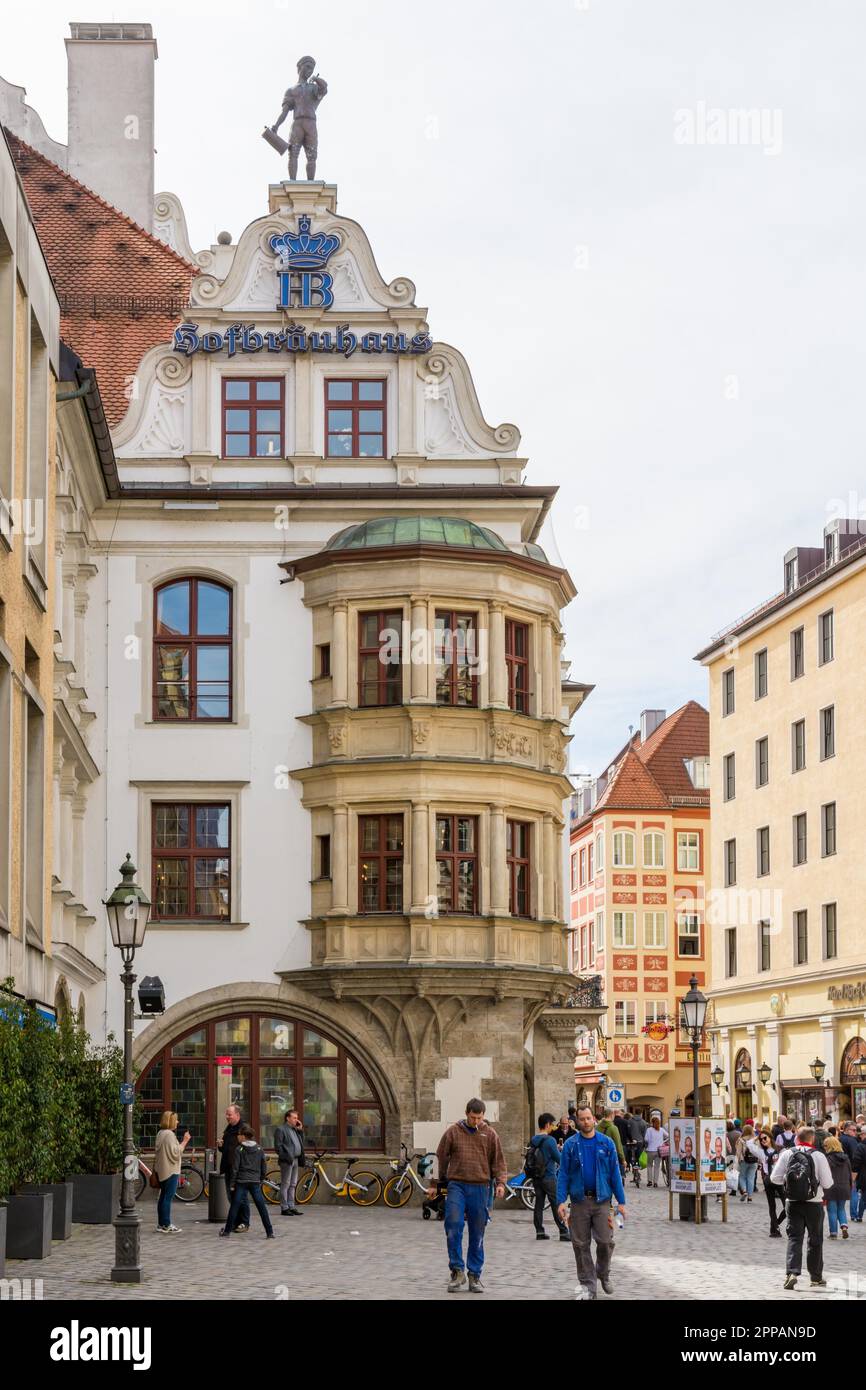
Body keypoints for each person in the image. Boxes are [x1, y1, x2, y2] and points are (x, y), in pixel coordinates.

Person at [431, 1098, 506, 1293]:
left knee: (477, 1233)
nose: (475, 1122)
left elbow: (498, 1161)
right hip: (457, 1185)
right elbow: (440, 1158)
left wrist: (500, 1183)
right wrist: (434, 1185)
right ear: (466, 1114)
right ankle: (457, 1271)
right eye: (473, 1118)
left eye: (479, 1118)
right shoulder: (453, 1132)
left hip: (481, 1187)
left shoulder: (490, 1134)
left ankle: (474, 1274)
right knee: (453, 1225)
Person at [556, 1104, 626, 1300]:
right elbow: (563, 1175)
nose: (586, 1122)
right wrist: (561, 1201)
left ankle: (602, 1272)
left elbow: (614, 1174)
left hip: (602, 1201)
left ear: (593, 1119)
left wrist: (621, 1202)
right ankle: (588, 1287)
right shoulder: (571, 1145)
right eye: (582, 1119)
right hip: (579, 1202)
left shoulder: (607, 1143)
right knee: (580, 1245)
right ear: (577, 1121)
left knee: (605, 1241)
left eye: (588, 1118)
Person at [770, 1125, 833, 1291]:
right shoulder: (819, 1156)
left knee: (794, 1238)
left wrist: (789, 1180)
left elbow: (774, 1178)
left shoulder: (787, 1153)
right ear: (812, 1139)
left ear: (796, 1138)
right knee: (815, 1239)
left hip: (793, 1201)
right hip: (814, 1202)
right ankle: (816, 1277)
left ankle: (792, 1272)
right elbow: (827, 1183)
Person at [220, 1123, 275, 1238]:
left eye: (239, 1135)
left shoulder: (239, 1149)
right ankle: (269, 1232)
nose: (237, 1137)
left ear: (244, 1136)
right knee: (261, 1207)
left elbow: (235, 1168)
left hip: (241, 1182)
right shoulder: (259, 1149)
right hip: (254, 1182)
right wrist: (260, 1179)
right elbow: (263, 1167)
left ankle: (226, 1232)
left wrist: (232, 1184)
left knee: (234, 1207)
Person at [526, 1113, 569, 1241]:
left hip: (536, 1177)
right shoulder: (550, 1140)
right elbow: (559, 1159)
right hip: (549, 1177)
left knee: (538, 1204)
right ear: (547, 1125)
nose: (552, 1128)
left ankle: (539, 1231)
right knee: (557, 1203)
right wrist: (560, 1151)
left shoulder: (533, 1139)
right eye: (552, 1125)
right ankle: (563, 1232)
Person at [153, 1110, 191, 1233]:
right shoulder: (169, 1134)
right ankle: (166, 1224)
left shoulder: (161, 1133)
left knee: (163, 1197)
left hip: (162, 1170)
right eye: (176, 1120)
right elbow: (175, 1153)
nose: (178, 1122)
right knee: (167, 1198)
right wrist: (185, 1141)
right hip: (170, 1170)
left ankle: (161, 1223)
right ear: (170, 1121)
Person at [218, 1103, 250, 1231]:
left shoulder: (244, 1129)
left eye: (229, 1114)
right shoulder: (229, 1128)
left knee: (241, 1196)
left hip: (239, 1169)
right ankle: (235, 1222)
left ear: (237, 1115)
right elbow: (227, 1149)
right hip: (228, 1167)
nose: (227, 1116)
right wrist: (221, 1146)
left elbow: (249, 1149)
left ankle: (244, 1223)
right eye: (226, 1114)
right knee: (231, 1196)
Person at [273, 1108, 305, 1216]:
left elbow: (301, 1142)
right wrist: (286, 1157)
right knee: (285, 1183)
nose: (297, 1120)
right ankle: (284, 1207)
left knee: (293, 1184)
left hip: (296, 1159)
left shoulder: (295, 1129)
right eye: (294, 1117)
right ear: (288, 1118)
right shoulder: (281, 1129)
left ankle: (291, 1206)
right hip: (287, 1160)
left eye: (297, 1118)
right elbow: (278, 1147)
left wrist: (300, 1130)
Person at [822, 1135, 852, 1239]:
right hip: (844, 1186)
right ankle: (844, 1226)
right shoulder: (846, 1158)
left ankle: (833, 1233)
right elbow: (849, 1173)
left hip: (831, 1187)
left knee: (832, 1210)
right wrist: (850, 1186)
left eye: (825, 1145)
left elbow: (824, 1174)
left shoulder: (827, 1159)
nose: (824, 1147)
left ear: (829, 1146)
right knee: (841, 1208)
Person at [756, 1129, 784, 1237]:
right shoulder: (761, 1151)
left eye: (765, 1138)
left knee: (787, 1205)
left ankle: (775, 1224)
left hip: (779, 1179)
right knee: (772, 1206)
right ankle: (775, 1230)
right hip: (768, 1180)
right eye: (761, 1139)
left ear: (770, 1137)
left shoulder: (779, 1149)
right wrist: (756, 1137)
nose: (763, 1141)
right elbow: (749, 1144)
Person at [737, 1125, 761, 1201]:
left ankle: (744, 1191)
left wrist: (738, 1160)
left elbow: (738, 1152)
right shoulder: (756, 1140)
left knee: (742, 1176)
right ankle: (750, 1197)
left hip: (744, 1160)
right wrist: (759, 1161)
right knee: (751, 1178)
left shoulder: (741, 1140)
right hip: (754, 1161)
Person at [644, 1114, 668, 1187]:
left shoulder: (649, 1130)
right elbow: (668, 1136)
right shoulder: (661, 1130)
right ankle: (655, 1182)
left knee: (649, 1165)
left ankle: (649, 1181)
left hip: (650, 1150)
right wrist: (663, 1142)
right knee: (657, 1167)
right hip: (659, 1151)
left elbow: (646, 1139)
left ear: (652, 1122)